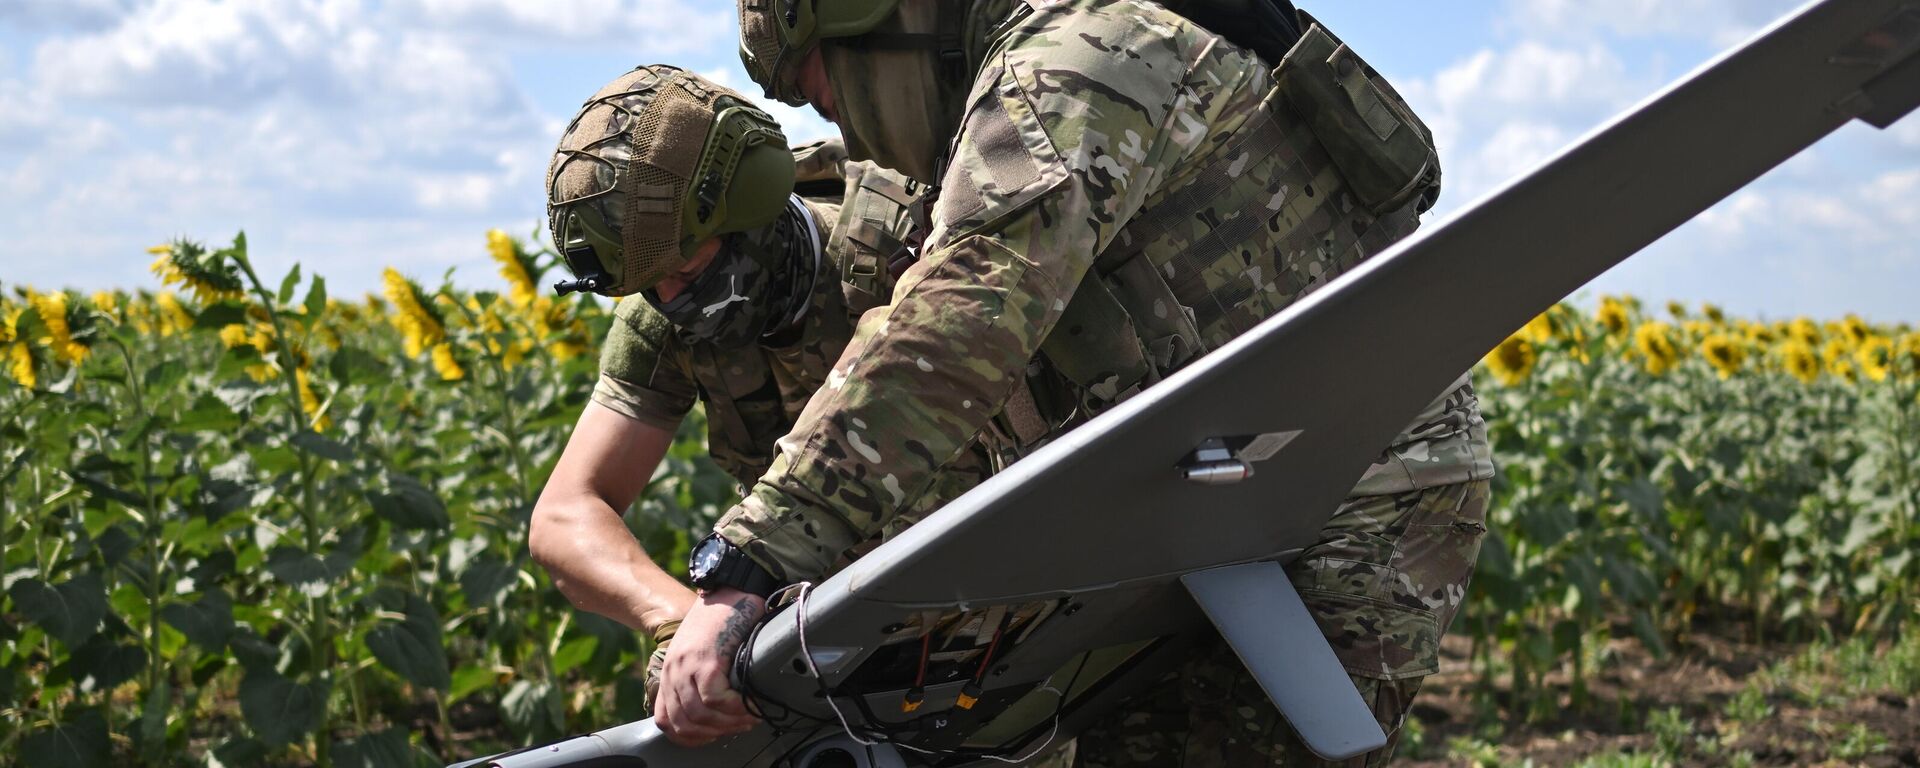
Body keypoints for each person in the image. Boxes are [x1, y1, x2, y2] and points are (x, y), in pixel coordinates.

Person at [658, 2, 1496, 765]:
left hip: (1351, 485)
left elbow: (959, 322)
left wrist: (747, 563)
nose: (861, 144)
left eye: (834, 103)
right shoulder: (1028, 69)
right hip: (1217, 499)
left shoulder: (1070, 67)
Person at [526, 63, 973, 708]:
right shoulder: (660, 314)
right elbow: (566, 514)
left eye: (688, 268)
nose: (673, 300)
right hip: (825, 649)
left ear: (753, 211)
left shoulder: (907, 239)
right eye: (653, 285)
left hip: (995, 610)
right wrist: (690, 626)